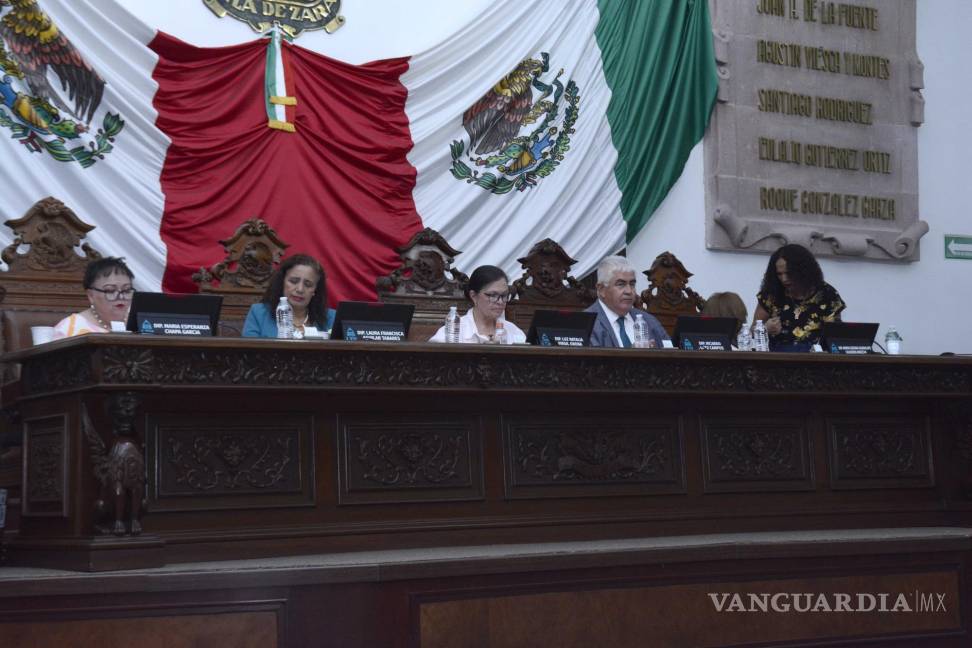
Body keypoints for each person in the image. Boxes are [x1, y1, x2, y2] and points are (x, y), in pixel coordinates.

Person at [754, 244, 845, 351]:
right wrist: (764, 329)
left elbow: (837, 336)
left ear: (803, 271)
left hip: (816, 357)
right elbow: (750, 332)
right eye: (779, 274)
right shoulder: (771, 293)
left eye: (789, 273)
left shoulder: (827, 294)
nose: (784, 279)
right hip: (776, 355)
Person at [243, 254, 335, 338]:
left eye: (308, 285)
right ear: (282, 282)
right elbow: (248, 350)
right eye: (293, 281)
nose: (300, 289)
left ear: (315, 290)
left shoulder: (332, 318)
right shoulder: (258, 313)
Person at [584, 255, 668, 348]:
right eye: (620, 284)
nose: (629, 291)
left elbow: (671, 353)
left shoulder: (649, 321)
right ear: (601, 289)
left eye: (632, 284)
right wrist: (632, 354)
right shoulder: (585, 324)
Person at [429, 265, 526, 344]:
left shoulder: (514, 332)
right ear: (474, 296)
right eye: (493, 295)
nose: (500, 302)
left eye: (504, 295)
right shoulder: (451, 332)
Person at [52, 257, 135, 339]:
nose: (121, 297)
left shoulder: (139, 323)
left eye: (126, 290)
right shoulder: (69, 329)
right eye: (110, 291)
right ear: (91, 295)